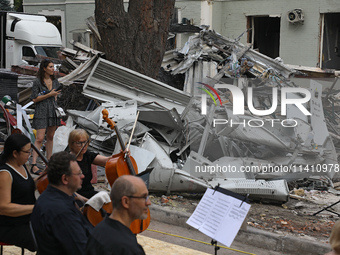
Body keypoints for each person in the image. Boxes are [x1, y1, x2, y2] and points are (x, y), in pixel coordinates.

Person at [31, 151, 93, 255]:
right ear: (65, 179)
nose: (82, 176)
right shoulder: (61, 212)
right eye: (78, 173)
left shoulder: (49, 196)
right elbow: (82, 250)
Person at [86, 175, 150, 255]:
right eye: (144, 197)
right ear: (125, 202)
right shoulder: (129, 248)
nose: (148, 203)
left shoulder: (98, 230)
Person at [0, 133, 36, 251]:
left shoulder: (22, 165)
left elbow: (27, 186)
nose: (29, 155)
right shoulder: (5, 173)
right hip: (11, 225)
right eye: (27, 152)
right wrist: (35, 207)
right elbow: (4, 207)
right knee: (47, 240)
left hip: (27, 220)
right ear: (15, 153)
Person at [30, 59, 62, 175]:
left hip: (53, 110)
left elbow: (57, 95)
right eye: (50, 67)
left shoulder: (55, 81)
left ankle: (48, 163)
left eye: (53, 67)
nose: (53, 69)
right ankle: (33, 164)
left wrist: (55, 96)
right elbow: (34, 99)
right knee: (39, 138)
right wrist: (49, 94)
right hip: (42, 110)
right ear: (44, 68)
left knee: (50, 136)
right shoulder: (37, 82)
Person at [68, 129, 110, 200]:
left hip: (90, 192)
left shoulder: (87, 155)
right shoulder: (67, 160)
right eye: (79, 143)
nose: (83, 146)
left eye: (85, 142)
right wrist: (88, 201)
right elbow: (68, 191)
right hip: (75, 197)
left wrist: (121, 155)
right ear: (71, 144)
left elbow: (107, 161)